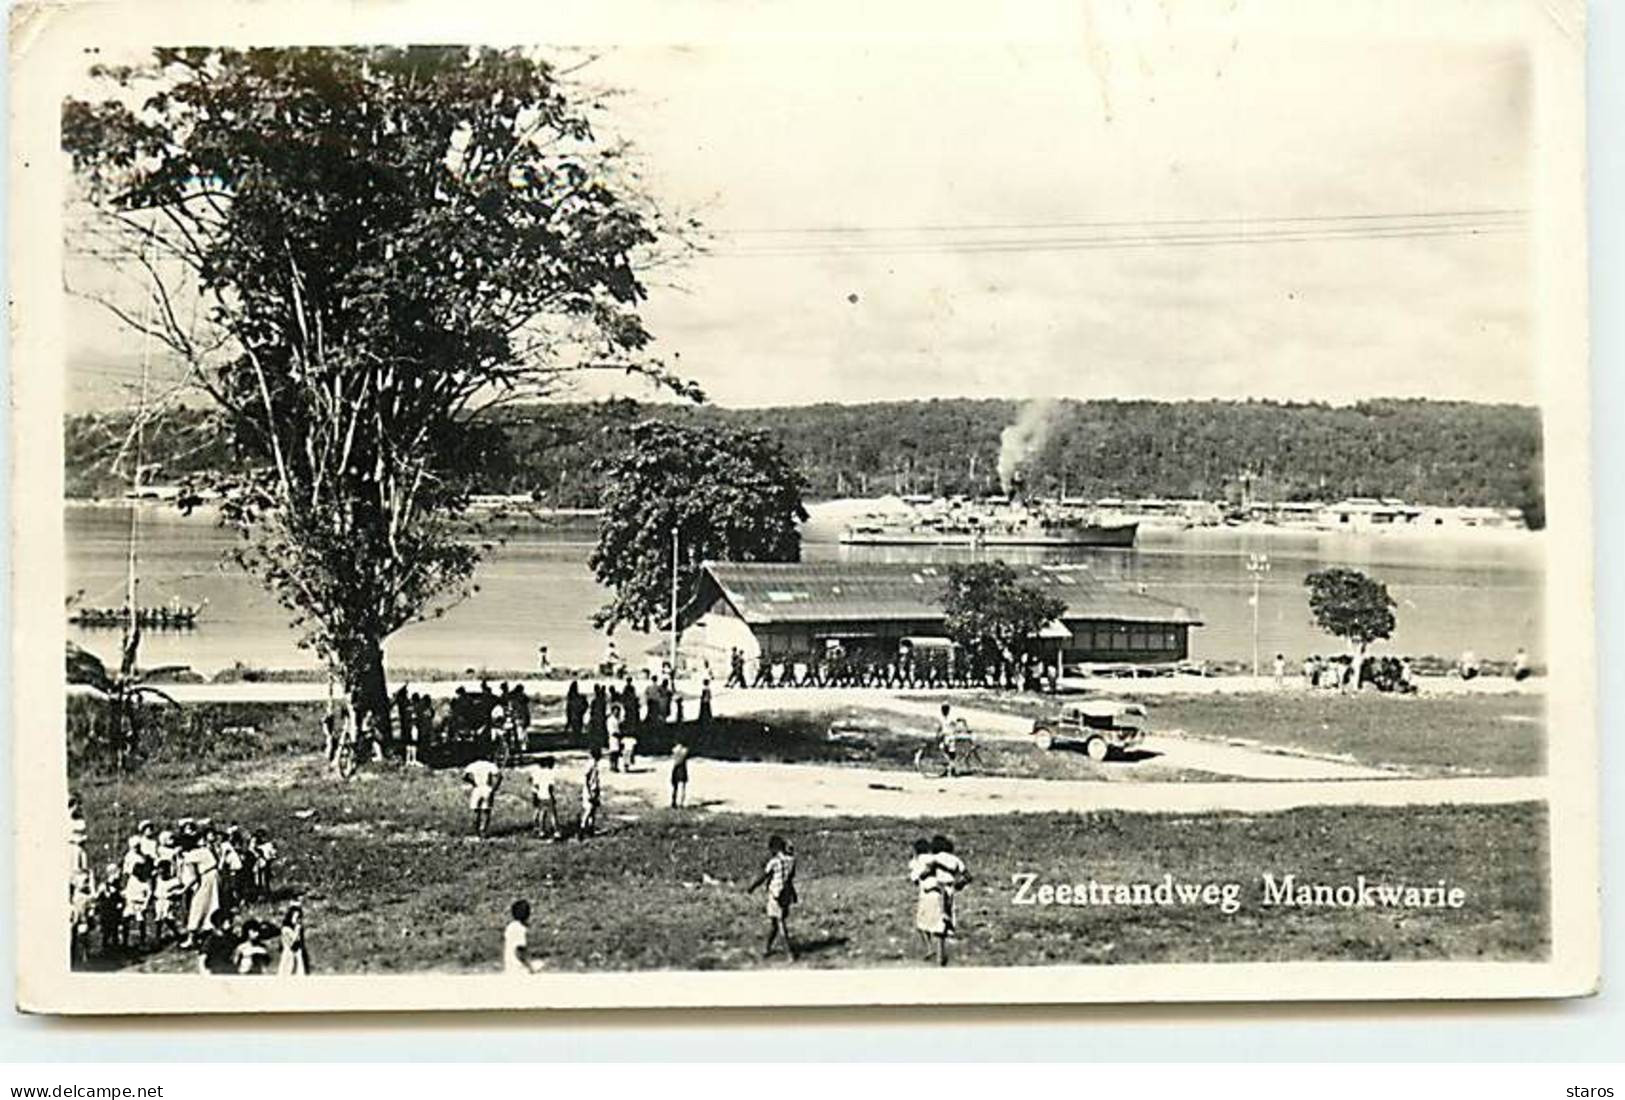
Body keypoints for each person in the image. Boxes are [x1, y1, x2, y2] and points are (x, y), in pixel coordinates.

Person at [746, 834, 797, 962]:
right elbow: (790, 880)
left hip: (776, 895)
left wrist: (752, 887)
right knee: (775, 923)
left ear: (774, 848)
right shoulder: (791, 861)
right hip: (786, 895)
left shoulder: (774, 862)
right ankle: (766, 948)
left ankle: (789, 953)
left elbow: (763, 876)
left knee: (779, 924)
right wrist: (794, 894)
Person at [927, 835, 972, 966]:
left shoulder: (934, 858)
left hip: (937, 890)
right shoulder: (956, 860)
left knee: (938, 925)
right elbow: (968, 876)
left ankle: (940, 957)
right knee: (946, 925)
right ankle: (943, 956)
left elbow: (926, 872)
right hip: (950, 890)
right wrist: (960, 884)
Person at [909, 838, 943, 961]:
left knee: (922, 925)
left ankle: (930, 949)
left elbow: (915, 879)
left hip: (926, 895)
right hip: (936, 894)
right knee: (937, 924)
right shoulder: (932, 858)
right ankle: (938, 952)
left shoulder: (917, 862)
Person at [462, 756, 503, 838]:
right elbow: (499, 776)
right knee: (486, 811)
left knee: (476, 811)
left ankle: (476, 831)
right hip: (487, 788)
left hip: (477, 788)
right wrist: (495, 788)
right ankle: (483, 831)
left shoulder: (473, 765)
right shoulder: (490, 765)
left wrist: (473, 782)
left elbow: (464, 776)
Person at [504, 899, 541, 974]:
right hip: (519, 970)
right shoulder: (520, 929)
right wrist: (530, 967)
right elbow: (519, 952)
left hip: (509, 967)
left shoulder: (510, 926)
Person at [524, 764, 560, 839]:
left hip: (540, 795)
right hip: (548, 796)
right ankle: (556, 832)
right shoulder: (549, 773)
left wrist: (536, 791)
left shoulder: (537, 772)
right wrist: (552, 796)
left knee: (542, 814)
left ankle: (541, 831)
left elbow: (534, 783)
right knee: (553, 814)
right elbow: (550, 787)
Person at [277, 904, 310, 975]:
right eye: (296, 917)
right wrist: (297, 930)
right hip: (288, 955)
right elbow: (291, 943)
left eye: (299, 918)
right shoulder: (285, 929)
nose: (298, 920)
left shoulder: (297, 929)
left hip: (297, 956)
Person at [579, 747, 603, 839]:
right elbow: (586, 777)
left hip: (594, 789)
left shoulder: (595, 764)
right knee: (589, 809)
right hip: (590, 789)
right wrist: (588, 791)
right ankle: (582, 827)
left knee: (593, 810)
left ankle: (590, 829)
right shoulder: (591, 764)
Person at [935, 703, 959, 777]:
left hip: (951, 737)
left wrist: (953, 731)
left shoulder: (951, 718)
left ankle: (952, 769)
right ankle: (948, 768)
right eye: (943, 709)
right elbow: (940, 727)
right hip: (945, 737)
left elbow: (955, 726)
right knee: (944, 751)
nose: (943, 711)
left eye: (945, 709)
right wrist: (938, 734)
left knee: (952, 753)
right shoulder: (942, 718)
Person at [670, 740, 691, 809]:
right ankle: (681, 803)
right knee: (682, 787)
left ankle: (674, 801)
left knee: (675, 787)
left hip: (676, 768)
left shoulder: (674, 750)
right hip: (682, 768)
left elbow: (674, 759)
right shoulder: (685, 750)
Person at [606, 703, 625, 773]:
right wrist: (618, 735)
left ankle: (616, 766)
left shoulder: (617, 719)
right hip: (613, 737)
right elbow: (611, 730)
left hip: (617, 737)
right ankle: (612, 766)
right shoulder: (610, 719)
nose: (617, 712)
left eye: (618, 710)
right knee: (613, 752)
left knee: (617, 752)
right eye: (615, 710)